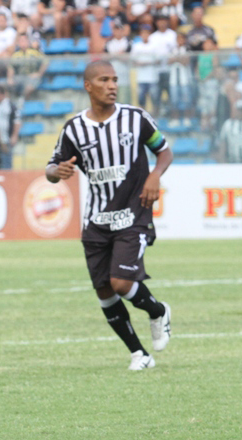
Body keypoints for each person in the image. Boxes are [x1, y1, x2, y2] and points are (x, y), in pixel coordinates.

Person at [45, 59, 173, 371]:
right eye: (104, 80)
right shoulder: (74, 128)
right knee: (104, 291)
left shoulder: (135, 119)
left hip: (134, 213)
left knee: (119, 282)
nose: (112, 85)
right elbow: (52, 167)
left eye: (115, 79)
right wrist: (56, 171)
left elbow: (164, 151)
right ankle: (139, 354)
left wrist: (155, 175)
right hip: (96, 220)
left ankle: (157, 311)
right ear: (88, 86)